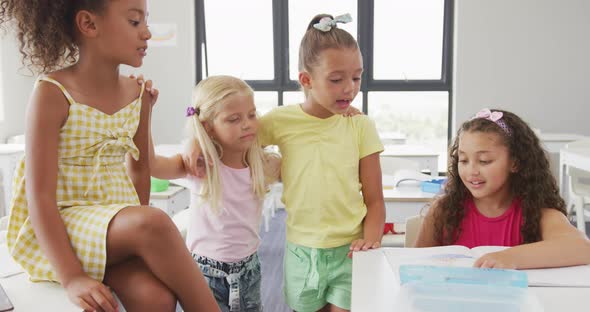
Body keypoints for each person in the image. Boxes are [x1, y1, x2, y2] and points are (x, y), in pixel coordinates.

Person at [0, 1, 218, 311]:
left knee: (156, 298)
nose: (146, 33)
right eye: (134, 22)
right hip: (61, 224)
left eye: (146, 21)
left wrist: (136, 235)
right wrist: (72, 276)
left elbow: (140, 169)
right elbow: (40, 196)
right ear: (89, 25)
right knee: (154, 222)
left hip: (110, 225)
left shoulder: (138, 93)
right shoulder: (52, 92)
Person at [184, 13, 385, 312]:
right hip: (301, 250)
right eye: (336, 79)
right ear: (306, 79)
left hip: (350, 251)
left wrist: (371, 241)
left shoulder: (361, 126)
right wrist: (195, 139)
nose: (349, 88)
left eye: (356, 77)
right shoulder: (280, 120)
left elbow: (375, 199)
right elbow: (230, 136)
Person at [149, 75, 280, 311]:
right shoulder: (199, 166)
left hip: (249, 270)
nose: (247, 124)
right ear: (209, 126)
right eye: (234, 119)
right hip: (204, 275)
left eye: (252, 115)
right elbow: (151, 165)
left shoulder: (265, 164)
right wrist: (143, 115)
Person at [414, 108, 590, 269]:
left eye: (484, 161)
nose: (471, 171)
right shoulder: (443, 211)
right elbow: (414, 265)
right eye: (463, 160)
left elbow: (582, 248)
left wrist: (510, 257)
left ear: (514, 162)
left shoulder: (539, 214)